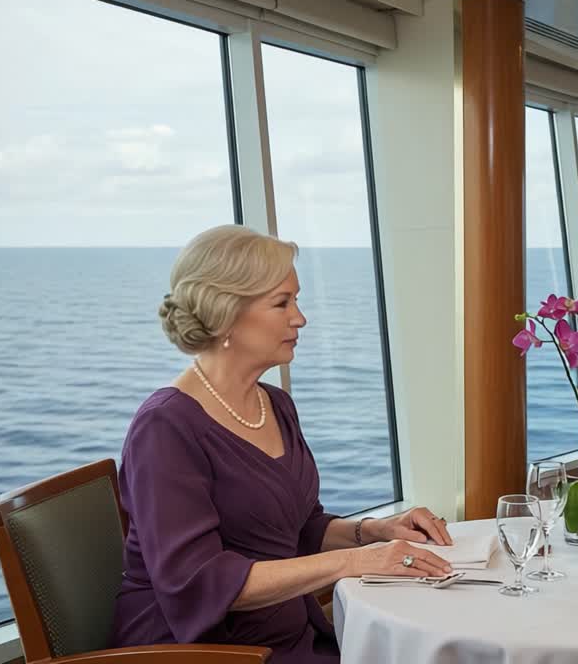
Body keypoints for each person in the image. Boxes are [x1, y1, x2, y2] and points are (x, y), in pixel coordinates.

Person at [112, 225, 454, 664]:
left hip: (287, 633)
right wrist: (356, 562)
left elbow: (298, 528)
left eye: (297, 299)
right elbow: (197, 581)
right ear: (226, 313)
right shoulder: (164, 428)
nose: (300, 317)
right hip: (203, 650)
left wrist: (373, 531)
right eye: (282, 303)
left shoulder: (274, 404)